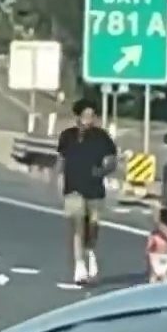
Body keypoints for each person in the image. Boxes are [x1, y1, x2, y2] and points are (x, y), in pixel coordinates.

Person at [56, 98, 118, 284]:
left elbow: (112, 160)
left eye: (91, 115)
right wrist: (57, 180)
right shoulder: (67, 136)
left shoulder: (102, 137)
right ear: (78, 116)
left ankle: (91, 253)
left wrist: (103, 171)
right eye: (85, 115)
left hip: (95, 188)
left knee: (93, 226)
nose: (88, 119)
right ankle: (79, 265)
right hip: (73, 186)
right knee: (77, 225)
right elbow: (61, 159)